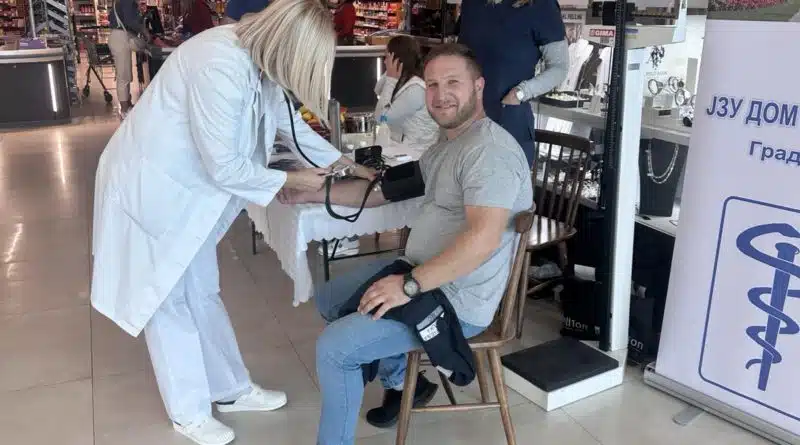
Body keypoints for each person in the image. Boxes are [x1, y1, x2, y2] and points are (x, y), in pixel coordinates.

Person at [90, 2, 372, 445]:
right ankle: (189, 412)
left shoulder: (260, 62)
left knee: (202, 289)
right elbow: (224, 165)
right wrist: (290, 179)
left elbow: (288, 124)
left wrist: (346, 164)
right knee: (168, 299)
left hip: (188, 194)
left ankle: (230, 388)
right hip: (153, 191)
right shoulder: (218, 62)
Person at [278, 43, 533, 445]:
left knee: (335, 349)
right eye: (432, 84)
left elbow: (482, 239)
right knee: (329, 299)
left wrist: (408, 286)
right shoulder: (447, 145)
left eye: (453, 83)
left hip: (457, 299)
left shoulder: (489, 153)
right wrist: (309, 193)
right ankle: (403, 383)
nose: (440, 95)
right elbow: (384, 192)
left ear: (478, 86)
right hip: (419, 274)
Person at [457, 0, 569, 165]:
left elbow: (559, 68)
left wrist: (520, 93)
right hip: (464, 120)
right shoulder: (472, 4)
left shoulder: (541, 6)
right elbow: (459, 56)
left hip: (507, 121)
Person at [374, 35, 439, 147]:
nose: (384, 61)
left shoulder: (416, 90)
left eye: (387, 57)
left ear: (396, 59)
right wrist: (390, 72)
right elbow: (378, 89)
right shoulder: (405, 79)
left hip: (414, 152)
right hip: (402, 147)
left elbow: (381, 118)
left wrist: (391, 79)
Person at [108, 0, 150, 116]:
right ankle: (124, 109)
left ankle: (128, 104)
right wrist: (144, 30)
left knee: (126, 73)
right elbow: (131, 21)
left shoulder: (121, 2)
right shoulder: (127, 1)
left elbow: (113, 18)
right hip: (121, 38)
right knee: (123, 75)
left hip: (119, 37)